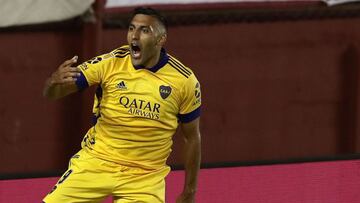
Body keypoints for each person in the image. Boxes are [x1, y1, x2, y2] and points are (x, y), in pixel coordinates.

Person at [42, 7, 202, 203]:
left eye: (144, 30)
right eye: (131, 28)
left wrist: (190, 191)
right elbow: (55, 93)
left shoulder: (184, 81)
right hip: (96, 162)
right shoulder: (110, 63)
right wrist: (52, 82)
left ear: (161, 39)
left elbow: (192, 138)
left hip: (144, 177)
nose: (134, 36)